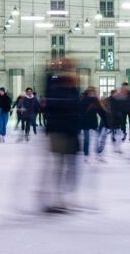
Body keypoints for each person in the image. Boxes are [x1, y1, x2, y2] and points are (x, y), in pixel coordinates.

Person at [42, 62, 81, 211]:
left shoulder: (73, 89)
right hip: (59, 131)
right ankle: (58, 197)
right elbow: (49, 95)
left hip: (69, 132)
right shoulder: (56, 86)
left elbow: (76, 110)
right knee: (60, 165)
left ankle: (63, 196)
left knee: (69, 167)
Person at [77, 87, 106, 160]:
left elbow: (100, 111)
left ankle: (96, 153)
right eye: (90, 91)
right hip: (86, 122)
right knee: (87, 139)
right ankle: (86, 154)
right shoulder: (83, 99)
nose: (91, 92)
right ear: (88, 92)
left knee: (96, 139)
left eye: (92, 91)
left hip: (93, 122)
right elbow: (79, 111)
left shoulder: (95, 100)